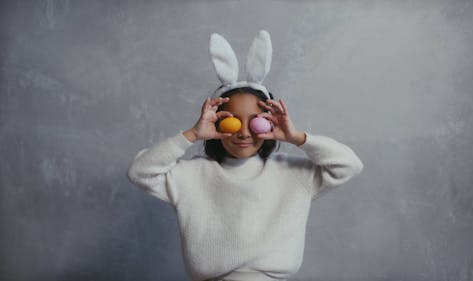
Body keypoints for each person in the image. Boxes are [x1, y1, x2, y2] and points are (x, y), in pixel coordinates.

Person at [127, 31, 364, 281]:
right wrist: (192, 135)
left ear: (270, 122)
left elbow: (348, 165)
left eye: (255, 122)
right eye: (232, 122)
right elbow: (140, 172)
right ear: (217, 123)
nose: (242, 133)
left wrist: (297, 137)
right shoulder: (192, 175)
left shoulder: (293, 174)